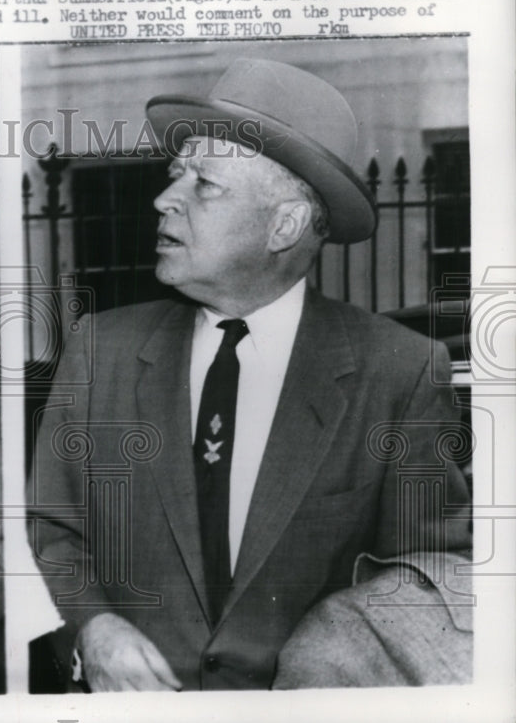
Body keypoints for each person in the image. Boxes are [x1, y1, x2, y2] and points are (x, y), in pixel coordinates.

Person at [29, 58, 471, 691]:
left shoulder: (397, 372)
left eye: (202, 183)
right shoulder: (101, 351)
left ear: (284, 225)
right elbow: (50, 532)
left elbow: (427, 581)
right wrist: (90, 629)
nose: (163, 198)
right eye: (174, 173)